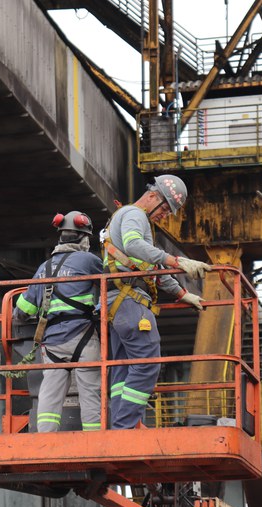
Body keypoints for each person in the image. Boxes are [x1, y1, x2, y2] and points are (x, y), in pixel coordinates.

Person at [101, 174, 211, 429]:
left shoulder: (129, 218)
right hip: (130, 302)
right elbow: (133, 245)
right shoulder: (135, 215)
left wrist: (182, 293)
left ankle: (120, 425)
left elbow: (150, 268)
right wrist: (176, 260)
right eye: (165, 209)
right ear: (152, 196)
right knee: (148, 363)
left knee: (123, 369)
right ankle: (126, 427)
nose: (164, 216)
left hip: (117, 303)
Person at [13, 211, 103, 433]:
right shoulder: (89, 260)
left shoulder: (44, 268)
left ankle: (46, 439)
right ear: (84, 238)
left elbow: (22, 311)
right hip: (83, 337)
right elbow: (112, 286)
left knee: (49, 394)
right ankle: (95, 440)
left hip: (52, 342)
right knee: (90, 391)